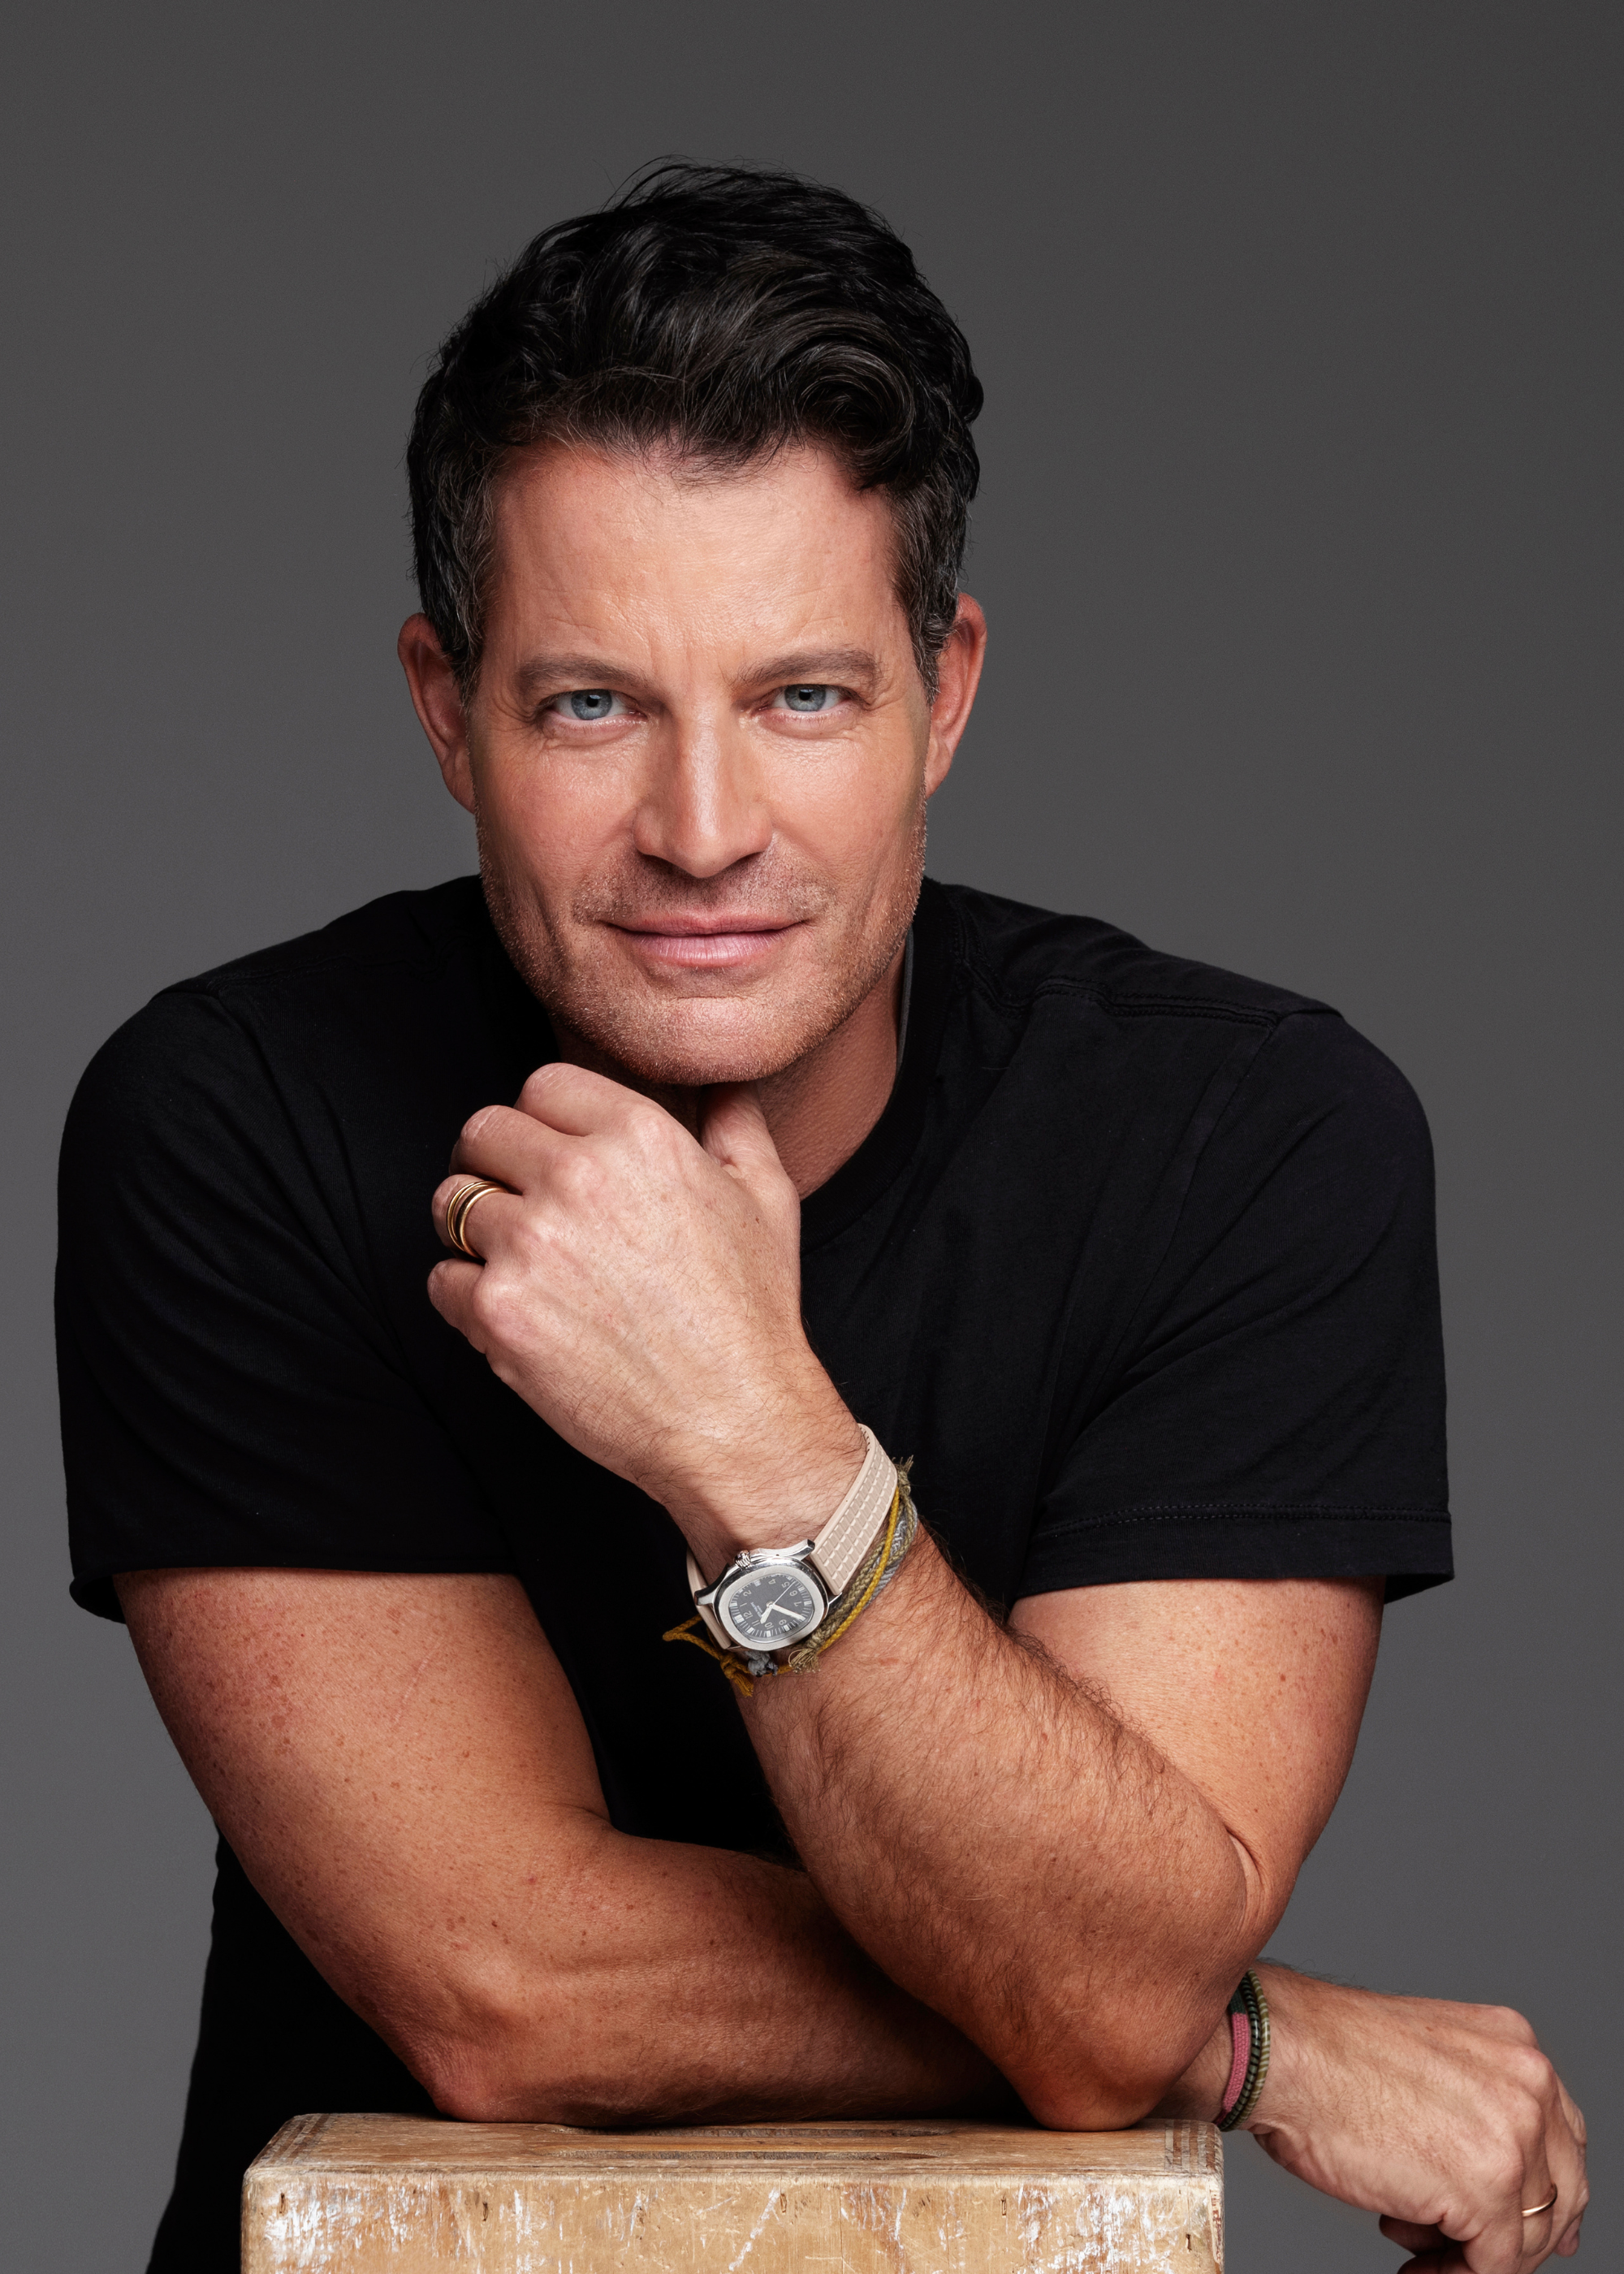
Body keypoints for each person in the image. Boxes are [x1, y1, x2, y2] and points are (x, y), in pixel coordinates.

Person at [56, 164, 1585, 2274]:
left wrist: (754, 1440)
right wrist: (1240, 2042)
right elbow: (505, 1989)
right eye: (593, 705)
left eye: (804, 698)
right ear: (448, 713)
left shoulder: (1252, 1143)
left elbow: (1112, 1973)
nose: (703, 834)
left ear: (942, 694)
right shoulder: (233, 1121)